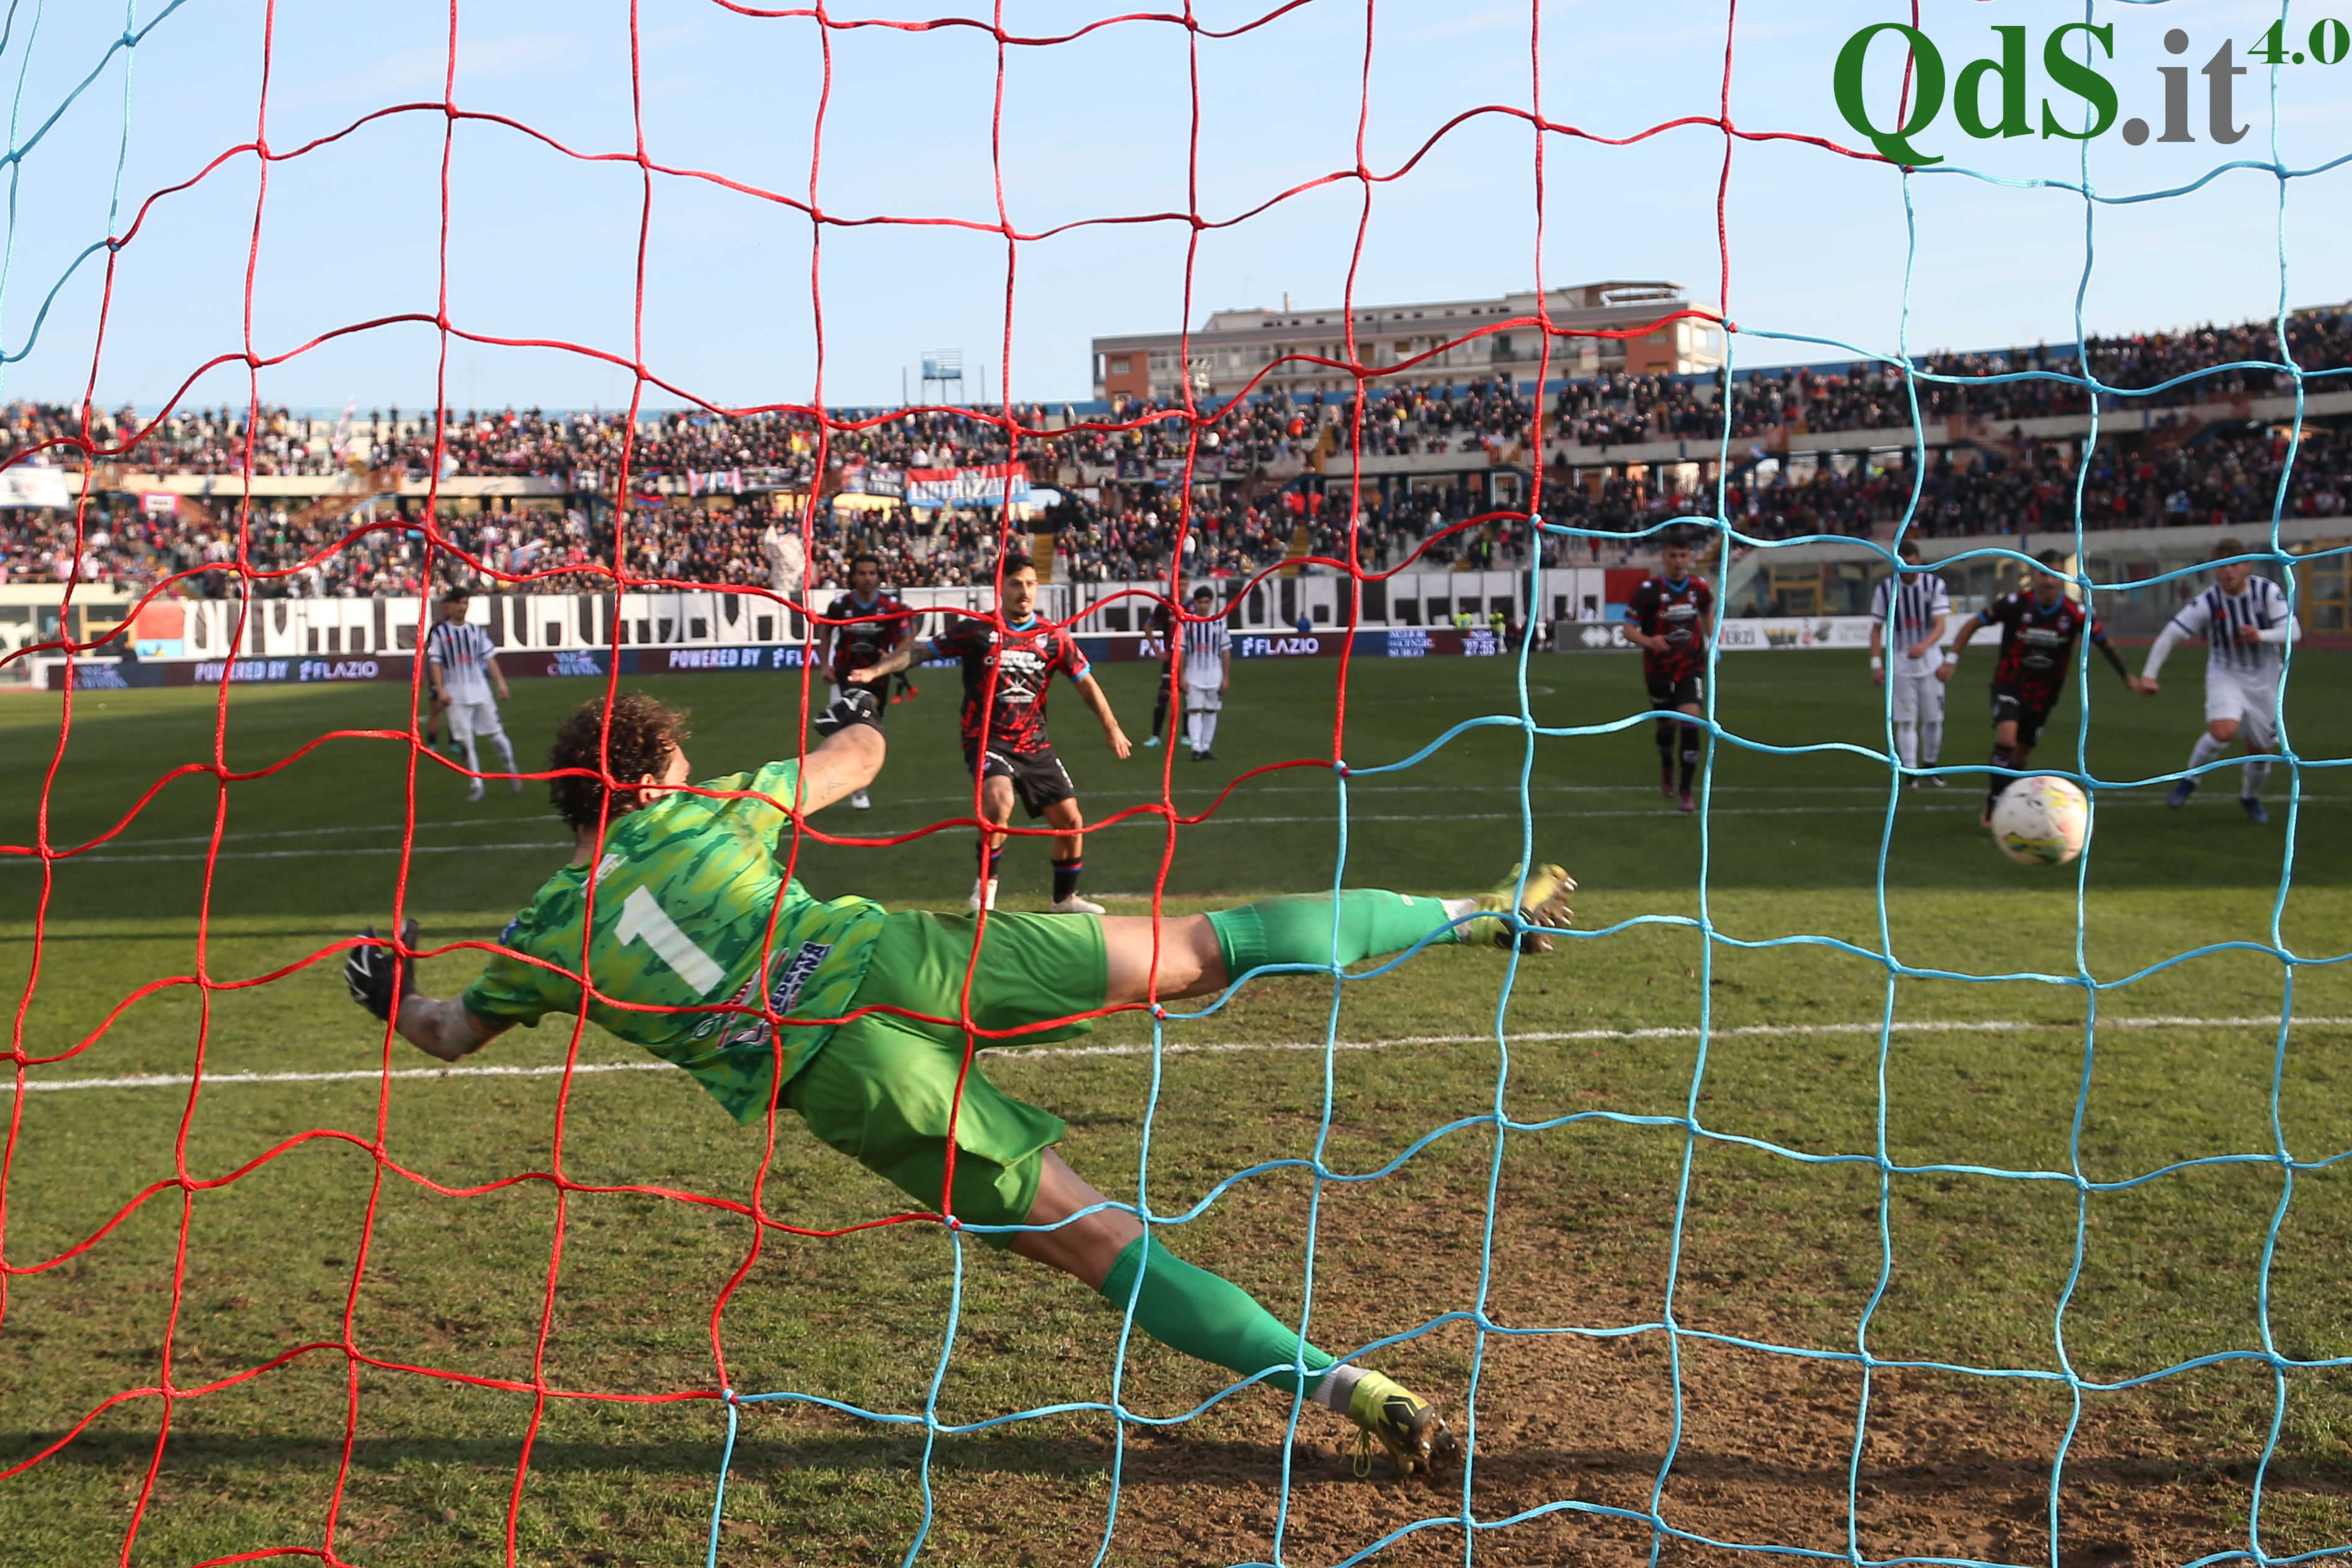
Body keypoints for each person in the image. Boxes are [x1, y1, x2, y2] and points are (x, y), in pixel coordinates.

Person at [342, 690, 1578, 1479]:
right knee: (1201, 948)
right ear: (654, 776)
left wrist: (389, 991)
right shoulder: (712, 808)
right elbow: (854, 755)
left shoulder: (541, 932)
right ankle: (1473, 914)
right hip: (910, 959)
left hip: (850, 1081)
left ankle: (1353, 1388)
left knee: (1106, 1245)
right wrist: (862, 697)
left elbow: (449, 1032)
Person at [852, 553, 1126, 915]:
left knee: (1071, 821)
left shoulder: (1054, 637)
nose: (1024, 591)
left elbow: (1086, 683)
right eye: (1015, 584)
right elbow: (919, 652)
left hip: (1034, 744)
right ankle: (987, 889)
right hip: (987, 740)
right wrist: (876, 671)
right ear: (1001, 588)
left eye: (1030, 584)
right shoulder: (976, 630)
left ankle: (1064, 900)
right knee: (999, 803)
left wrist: (1112, 727)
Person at [1941, 550, 2147, 826]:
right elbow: (1973, 623)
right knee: (2007, 739)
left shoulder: (2074, 613)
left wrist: (2126, 676)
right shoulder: (2015, 604)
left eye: (2056, 575)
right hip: (2009, 683)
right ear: (2034, 576)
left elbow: (2105, 645)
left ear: (2064, 579)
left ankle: (2005, 797)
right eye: (2044, 574)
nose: (2050, 581)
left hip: (2044, 694)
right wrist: (1952, 659)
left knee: (2022, 752)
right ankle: (1995, 800)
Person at [2139, 538, 2301, 824]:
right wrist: (2150, 674)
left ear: (2247, 566)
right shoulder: (2208, 601)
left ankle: (2249, 797)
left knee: (2261, 753)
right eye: (2223, 565)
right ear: (2215, 569)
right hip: (2225, 674)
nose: (2229, 571)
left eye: (2235, 564)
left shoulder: (2266, 591)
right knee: (2223, 731)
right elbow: (2171, 634)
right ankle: (2190, 780)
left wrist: (2260, 635)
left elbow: (2294, 631)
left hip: (2265, 682)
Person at [1623, 532, 1715, 814]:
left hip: (1691, 667)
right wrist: (1649, 641)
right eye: (1673, 555)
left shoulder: (1699, 588)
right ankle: (1667, 764)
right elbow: (1628, 629)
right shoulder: (1649, 590)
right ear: (1664, 556)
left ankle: (1686, 791)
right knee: (1665, 727)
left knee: (1691, 719)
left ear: (1689, 557)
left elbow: (1708, 610)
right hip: (1658, 670)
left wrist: (1713, 641)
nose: (1678, 561)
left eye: (1683, 555)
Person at [816, 552, 915, 811]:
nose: (868, 578)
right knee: (844, 731)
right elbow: (825, 632)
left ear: (879, 577)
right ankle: (846, 788)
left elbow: (908, 637)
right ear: (853, 577)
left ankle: (855, 785)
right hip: (845, 676)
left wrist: (892, 658)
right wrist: (825, 664)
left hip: (878, 679)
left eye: (872, 573)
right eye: (862, 573)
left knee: (867, 733)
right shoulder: (840, 606)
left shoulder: (892, 607)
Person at [1868, 539, 1952, 788]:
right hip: (1901, 666)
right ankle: (1911, 772)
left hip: (1931, 664)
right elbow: (1875, 630)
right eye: (1902, 563)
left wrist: (1924, 646)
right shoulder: (1885, 590)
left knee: (1934, 719)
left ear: (1919, 561)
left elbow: (1941, 625)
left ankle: (1930, 766)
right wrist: (1876, 664)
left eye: (1911, 562)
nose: (1906, 568)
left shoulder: (1935, 585)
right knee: (1906, 721)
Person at [424, 585, 517, 803]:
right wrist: (440, 690)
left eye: (466, 603)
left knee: (498, 737)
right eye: (459, 603)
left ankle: (511, 768)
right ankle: (477, 786)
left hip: (481, 692)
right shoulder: (440, 632)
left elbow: (490, 659)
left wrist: (501, 684)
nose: (463, 608)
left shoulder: (476, 631)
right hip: (455, 695)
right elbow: (435, 663)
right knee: (467, 743)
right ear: (451, 606)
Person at [1181, 583, 1233, 762]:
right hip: (1193, 675)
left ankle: (1205, 748)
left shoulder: (1220, 624)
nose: (1204, 606)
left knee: (1211, 711)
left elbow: (1226, 651)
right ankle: (1195, 747)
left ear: (1211, 603)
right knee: (1195, 711)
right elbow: (1180, 652)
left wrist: (1226, 677)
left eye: (1207, 602)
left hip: (1214, 675)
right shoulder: (1186, 624)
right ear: (1195, 603)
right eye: (1201, 602)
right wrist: (1181, 676)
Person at [1143, 595, 1175, 749]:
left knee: (1191, 696)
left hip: (1189, 659)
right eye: (1180, 584)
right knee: (1164, 695)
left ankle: (1188, 737)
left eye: (1185, 584)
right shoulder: (1165, 605)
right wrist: (1157, 651)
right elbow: (1148, 627)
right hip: (1170, 659)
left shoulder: (1193, 604)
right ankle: (1155, 736)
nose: (1182, 587)